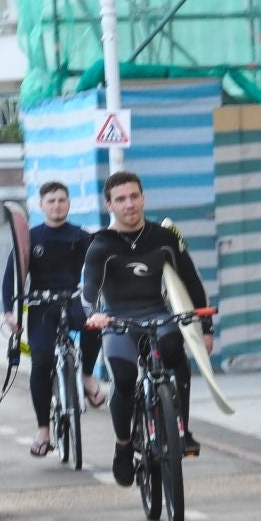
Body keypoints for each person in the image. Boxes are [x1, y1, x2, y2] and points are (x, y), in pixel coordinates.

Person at [82, 171, 213, 487]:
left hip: (157, 314)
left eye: (134, 196)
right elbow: (89, 290)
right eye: (121, 199)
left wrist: (205, 326)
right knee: (124, 377)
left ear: (143, 198)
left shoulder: (164, 237)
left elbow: (191, 281)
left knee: (176, 356)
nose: (129, 204)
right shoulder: (101, 244)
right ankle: (123, 444)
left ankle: (181, 428)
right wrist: (94, 314)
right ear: (109, 205)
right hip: (118, 321)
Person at [1, 181, 105, 456]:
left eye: (61, 200)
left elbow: (102, 263)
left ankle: (86, 376)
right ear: (41, 205)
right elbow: (12, 276)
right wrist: (10, 312)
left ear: (68, 203)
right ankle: (43, 430)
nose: (57, 205)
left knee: (94, 323)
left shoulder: (81, 236)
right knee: (42, 361)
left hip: (72, 299)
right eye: (51, 201)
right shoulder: (30, 238)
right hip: (41, 305)